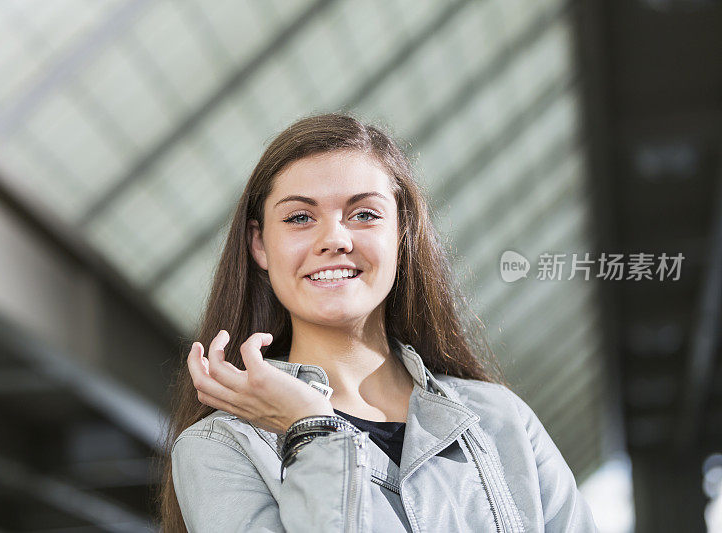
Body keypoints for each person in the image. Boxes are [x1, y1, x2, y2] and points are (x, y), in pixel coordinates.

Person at [158, 113, 597, 532]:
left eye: (364, 214)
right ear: (259, 245)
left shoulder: (501, 420)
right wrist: (311, 430)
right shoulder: (220, 447)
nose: (334, 239)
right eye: (300, 218)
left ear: (402, 234)